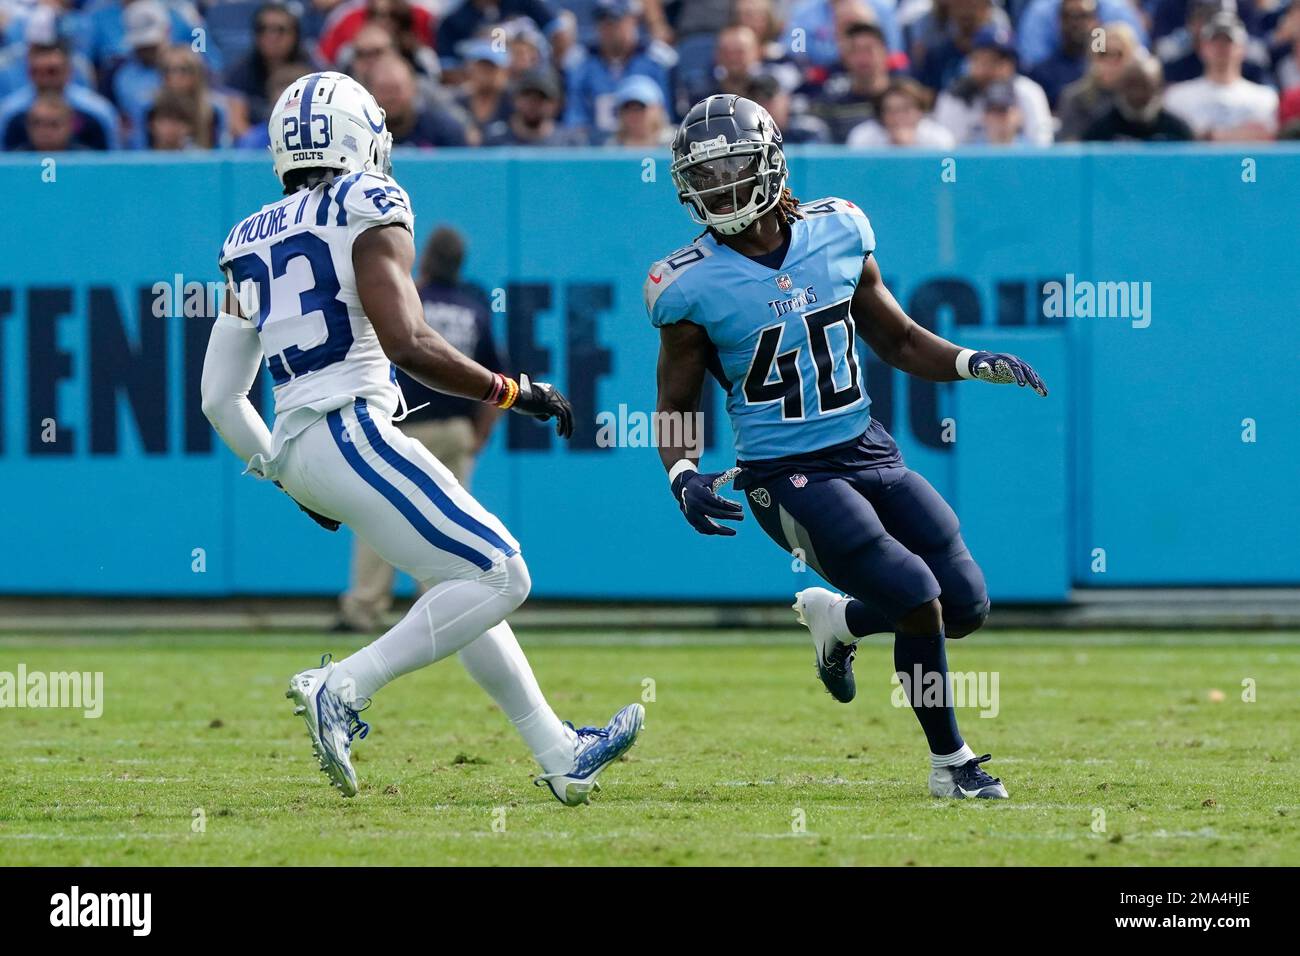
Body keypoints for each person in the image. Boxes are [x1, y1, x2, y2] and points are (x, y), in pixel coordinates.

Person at [201, 70, 642, 804]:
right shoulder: (370, 200)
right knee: (503, 573)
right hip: (351, 427)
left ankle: (559, 752)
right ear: (358, 137)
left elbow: (220, 398)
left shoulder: (247, 238)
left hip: (303, 445)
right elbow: (407, 342)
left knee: (455, 583)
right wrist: (511, 390)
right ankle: (342, 687)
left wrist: (281, 474)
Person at [646, 94, 1049, 799]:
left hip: (865, 447)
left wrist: (967, 360)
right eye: (703, 175)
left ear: (771, 159)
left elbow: (895, 337)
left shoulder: (839, 230)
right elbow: (676, 402)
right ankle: (951, 765)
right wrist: (681, 470)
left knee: (964, 602)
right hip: (782, 470)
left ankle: (838, 619)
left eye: (733, 164)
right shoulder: (688, 282)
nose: (719, 185)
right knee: (917, 593)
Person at [335, 225, 505, 633]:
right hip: (455, 432)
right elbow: (496, 372)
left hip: (405, 430)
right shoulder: (473, 305)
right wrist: (479, 434)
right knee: (448, 524)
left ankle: (364, 607)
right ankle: (442, 612)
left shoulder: (413, 298)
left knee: (378, 515)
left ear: (426, 258)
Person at [1164, 11, 1278, 139]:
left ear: (1243, 49)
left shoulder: (1265, 99)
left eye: (1228, 42)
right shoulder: (1177, 97)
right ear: (1202, 47)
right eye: (1215, 42)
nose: (1221, 48)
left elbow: (1267, 139)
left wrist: (1211, 136)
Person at [1083, 54, 1194, 140]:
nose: (1138, 93)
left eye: (1145, 86)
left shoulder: (1176, 130)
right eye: (1132, 85)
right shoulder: (1100, 129)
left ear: (1158, 87)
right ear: (1120, 86)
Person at [845, 76, 956, 146]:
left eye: (905, 109)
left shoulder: (939, 139)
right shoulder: (863, 137)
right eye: (890, 110)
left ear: (920, 111)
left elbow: (948, 180)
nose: (898, 117)